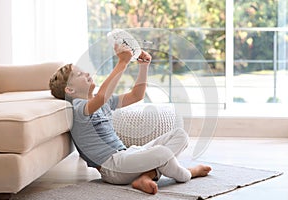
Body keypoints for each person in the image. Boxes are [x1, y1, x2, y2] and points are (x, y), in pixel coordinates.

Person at [49, 43, 211, 195]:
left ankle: (145, 176)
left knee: (180, 135)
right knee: (162, 154)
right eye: (79, 74)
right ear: (69, 89)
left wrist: (143, 67)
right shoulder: (78, 107)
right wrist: (122, 62)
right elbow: (102, 97)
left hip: (127, 154)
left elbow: (136, 95)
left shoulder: (101, 102)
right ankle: (188, 173)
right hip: (113, 167)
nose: (86, 73)